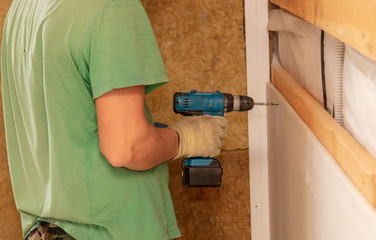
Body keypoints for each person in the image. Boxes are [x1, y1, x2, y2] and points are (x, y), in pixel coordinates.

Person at [1, 0, 228, 239]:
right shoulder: (113, 7)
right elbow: (128, 147)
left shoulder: (23, 6)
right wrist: (185, 139)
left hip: (43, 231)